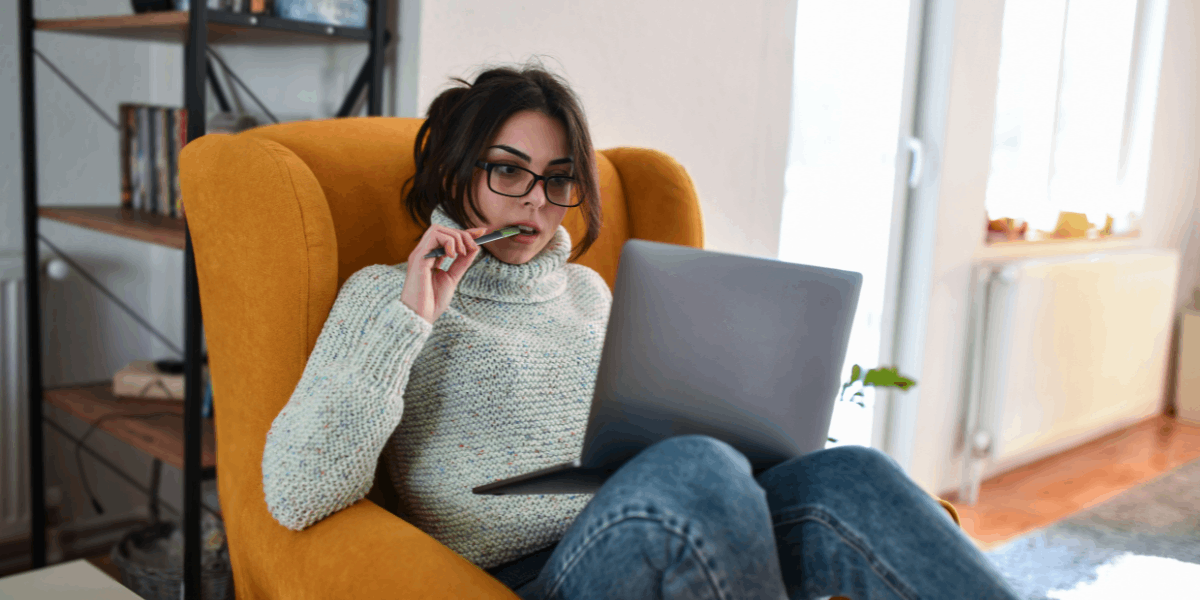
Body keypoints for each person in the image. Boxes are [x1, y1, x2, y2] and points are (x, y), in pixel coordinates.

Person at [261, 63, 1023, 600]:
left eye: (558, 179)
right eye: (508, 171)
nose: (535, 202)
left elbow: (655, 436)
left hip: (692, 521)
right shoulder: (386, 296)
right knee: (694, 466)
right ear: (457, 173)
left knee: (850, 473)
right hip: (547, 573)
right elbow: (297, 493)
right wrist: (409, 323)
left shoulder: (590, 290)